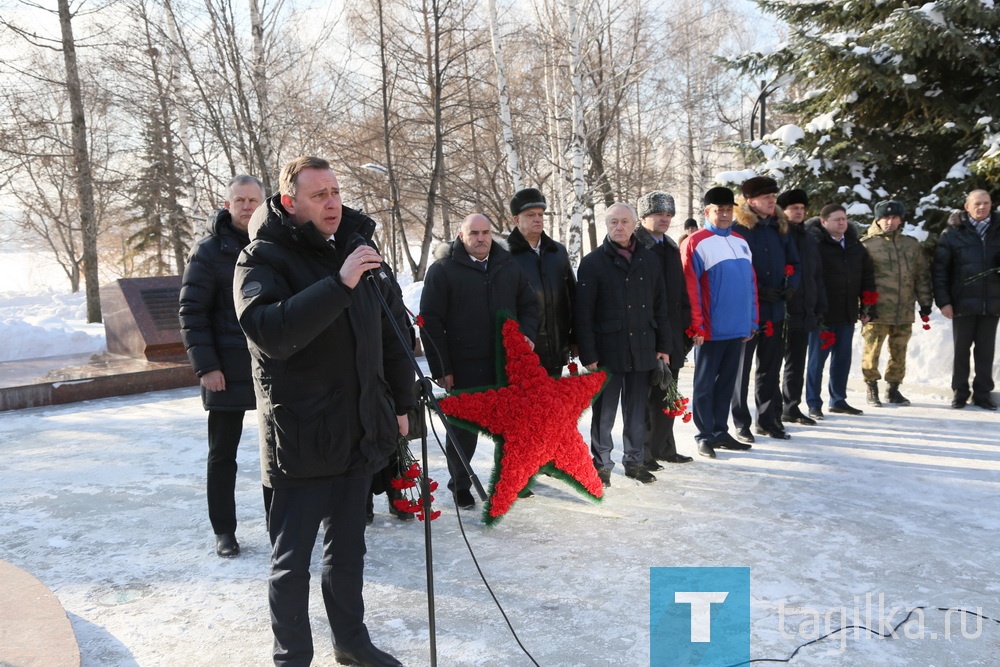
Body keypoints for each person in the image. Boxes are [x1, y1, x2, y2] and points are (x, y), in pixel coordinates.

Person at [234, 156, 414, 667]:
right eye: (319, 195)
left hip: (358, 426)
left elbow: (390, 332)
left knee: (349, 549)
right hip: (302, 433)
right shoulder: (260, 259)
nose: (333, 202)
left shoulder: (357, 248)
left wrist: (401, 405)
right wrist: (338, 284)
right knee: (292, 562)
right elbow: (271, 332)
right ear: (291, 203)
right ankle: (291, 656)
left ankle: (351, 642)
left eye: (335, 191)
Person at [419, 213, 539, 508]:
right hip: (464, 367)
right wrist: (442, 369)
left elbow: (529, 305)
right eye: (474, 233)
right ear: (461, 236)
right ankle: (460, 484)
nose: (481, 238)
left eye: (485, 232)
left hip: (506, 364)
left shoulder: (508, 266)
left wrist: (526, 335)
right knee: (463, 432)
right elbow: (430, 322)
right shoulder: (443, 270)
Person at [179, 174, 266, 558]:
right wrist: (206, 367)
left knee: (277, 453)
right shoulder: (208, 251)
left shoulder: (275, 245)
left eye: (254, 200)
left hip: (270, 369)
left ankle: (280, 525)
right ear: (227, 204)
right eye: (240, 200)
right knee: (222, 455)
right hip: (224, 372)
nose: (247, 207)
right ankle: (224, 531)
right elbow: (192, 313)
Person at [576, 202, 671, 485]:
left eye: (625, 222)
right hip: (607, 351)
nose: (619, 227)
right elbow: (583, 313)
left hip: (643, 346)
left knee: (636, 410)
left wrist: (663, 347)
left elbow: (660, 307)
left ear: (634, 225)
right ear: (607, 226)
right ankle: (602, 464)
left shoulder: (649, 259)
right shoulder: (593, 262)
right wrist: (589, 353)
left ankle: (635, 461)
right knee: (604, 413)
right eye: (614, 222)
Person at [681, 187, 757, 459]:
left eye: (728, 210)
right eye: (718, 210)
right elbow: (691, 289)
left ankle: (720, 431)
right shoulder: (696, 242)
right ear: (707, 212)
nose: (724, 215)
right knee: (705, 385)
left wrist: (751, 320)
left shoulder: (740, 241)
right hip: (710, 330)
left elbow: (750, 284)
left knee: (726, 383)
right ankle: (704, 435)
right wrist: (696, 326)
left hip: (737, 328)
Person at [731, 176, 800, 443]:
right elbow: (736, 269)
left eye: (774, 196)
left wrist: (791, 285)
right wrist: (759, 291)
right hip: (749, 310)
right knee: (742, 368)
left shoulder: (779, 227)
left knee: (770, 367)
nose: (772, 201)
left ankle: (768, 419)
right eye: (766, 197)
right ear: (751, 201)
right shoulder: (740, 228)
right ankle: (741, 422)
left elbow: (795, 261)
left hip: (775, 309)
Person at [634, 191, 693, 467]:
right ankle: (642, 452)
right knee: (646, 396)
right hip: (646, 334)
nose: (665, 219)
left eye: (668, 215)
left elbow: (680, 293)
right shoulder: (635, 246)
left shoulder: (670, 247)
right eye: (659, 214)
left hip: (672, 334)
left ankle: (664, 447)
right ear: (644, 217)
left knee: (668, 392)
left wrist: (685, 329)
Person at [860, 200, 933, 407]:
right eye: (885, 218)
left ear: (901, 219)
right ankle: (871, 387)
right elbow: (859, 278)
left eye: (894, 218)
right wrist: (863, 305)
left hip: (904, 309)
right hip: (877, 309)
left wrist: (925, 302)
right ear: (878, 219)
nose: (889, 222)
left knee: (899, 351)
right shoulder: (867, 245)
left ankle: (893, 389)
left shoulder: (910, 245)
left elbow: (921, 275)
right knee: (872, 351)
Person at [805, 204, 875, 419]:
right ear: (824, 222)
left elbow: (867, 277)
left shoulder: (855, 245)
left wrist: (868, 306)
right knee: (817, 361)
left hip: (846, 312)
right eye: (836, 219)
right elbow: (810, 279)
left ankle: (838, 400)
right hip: (822, 315)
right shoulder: (815, 244)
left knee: (842, 359)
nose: (842, 223)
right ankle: (814, 403)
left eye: (844, 219)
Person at [932, 189, 1000, 410]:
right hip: (961, 302)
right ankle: (959, 392)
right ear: (967, 206)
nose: (982, 207)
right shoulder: (952, 233)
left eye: (986, 203)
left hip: (992, 302)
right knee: (961, 349)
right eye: (977, 203)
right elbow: (940, 270)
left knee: (986, 350)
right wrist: (944, 301)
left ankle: (982, 394)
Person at [506, 187, 576, 378]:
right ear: (516, 220)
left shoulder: (558, 252)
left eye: (540, 214)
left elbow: (572, 297)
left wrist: (574, 339)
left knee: (553, 405)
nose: (537, 219)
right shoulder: (504, 257)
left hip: (557, 349)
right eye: (530, 215)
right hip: (523, 353)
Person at [775, 188, 825, 425]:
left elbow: (816, 275)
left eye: (802, 208)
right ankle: (771, 410)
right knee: (773, 363)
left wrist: (819, 305)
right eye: (794, 208)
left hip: (805, 308)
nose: (798, 212)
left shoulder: (808, 237)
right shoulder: (779, 233)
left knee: (796, 363)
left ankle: (791, 407)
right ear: (783, 211)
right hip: (783, 308)